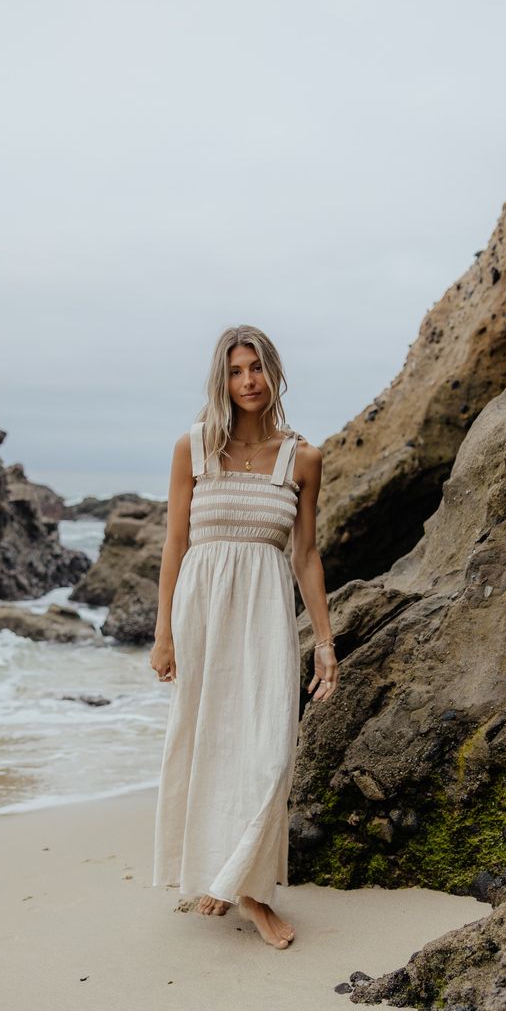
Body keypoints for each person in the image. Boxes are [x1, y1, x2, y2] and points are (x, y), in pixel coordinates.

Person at [150, 325, 339, 949]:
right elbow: (175, 544)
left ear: (274, 373)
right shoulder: (194, 449)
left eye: (257, 368)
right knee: (212, 744)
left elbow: (306, 554)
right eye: (236, 371)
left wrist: (326, 643)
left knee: (270, 754)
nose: (248, 381)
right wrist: (163, 635)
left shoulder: (302, 457)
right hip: (201, 614)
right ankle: (247, 893)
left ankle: (236, 881)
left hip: (265, 618)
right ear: (221, 379)